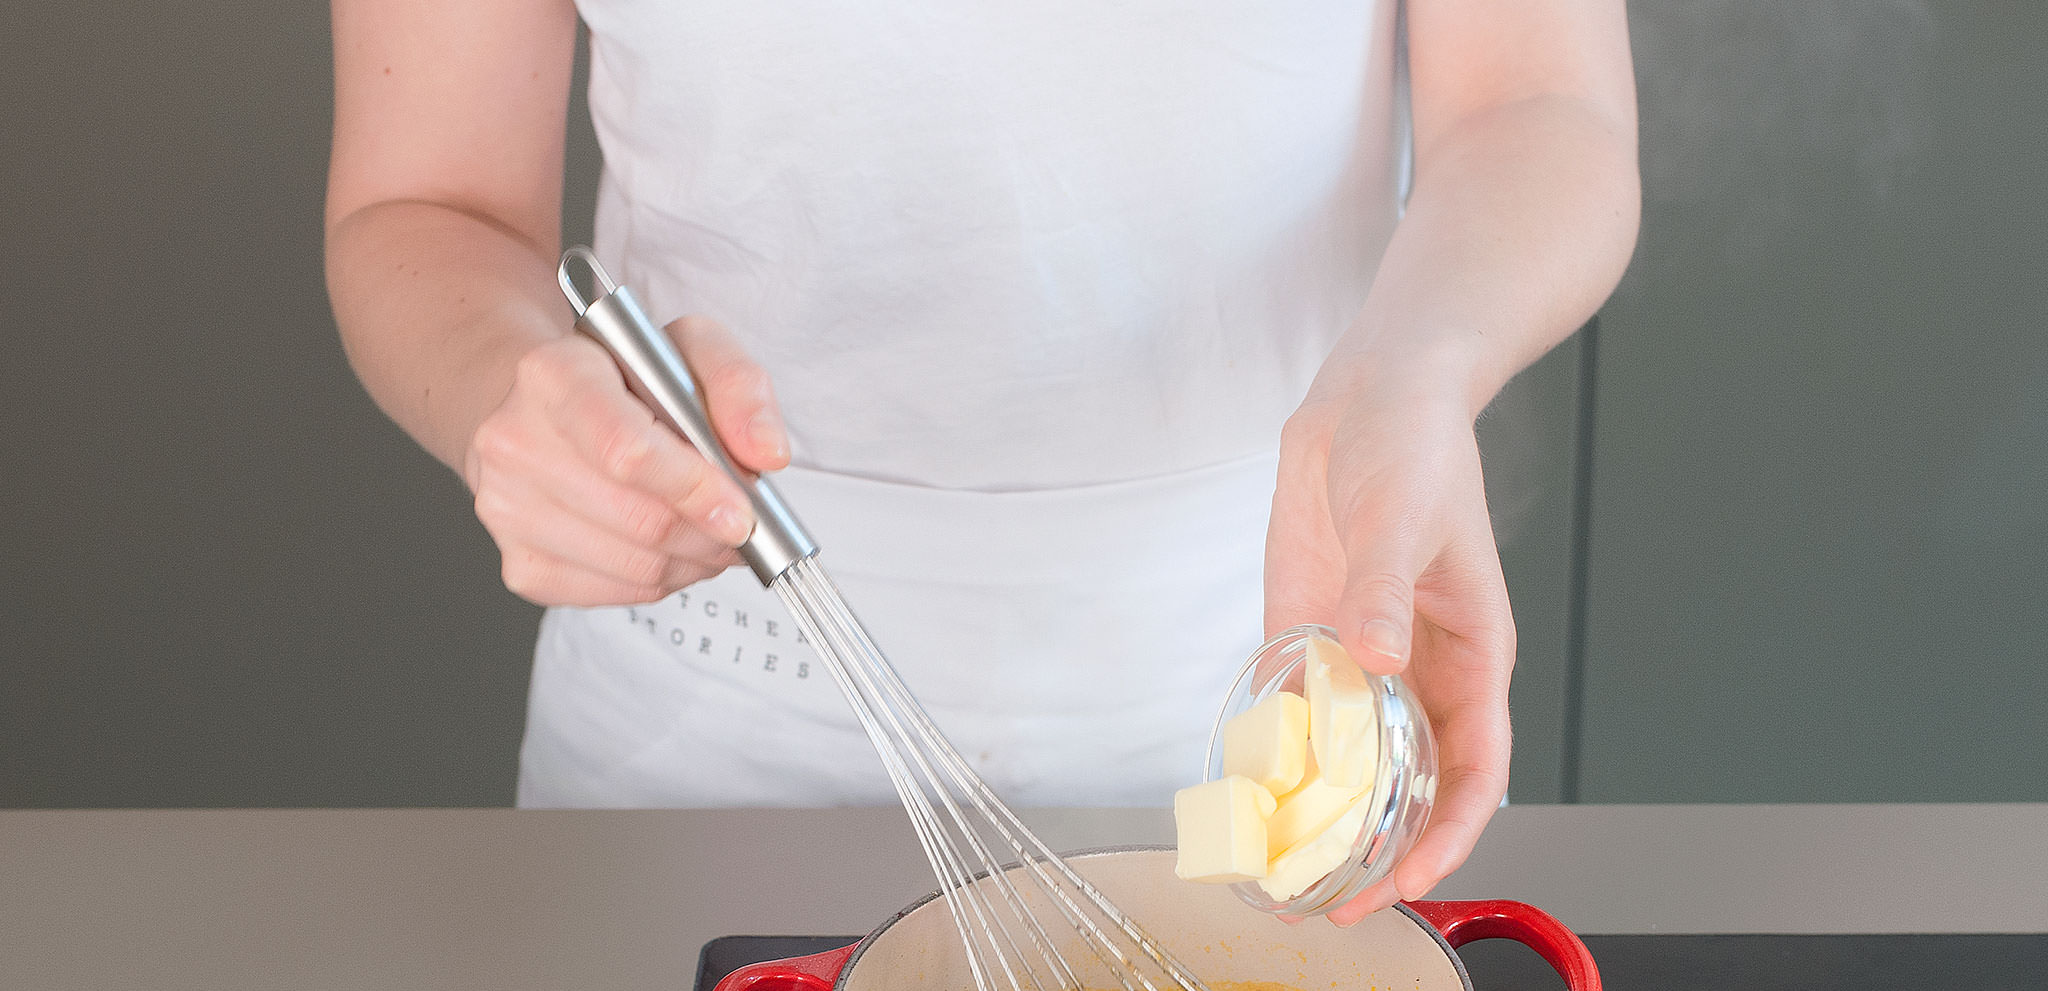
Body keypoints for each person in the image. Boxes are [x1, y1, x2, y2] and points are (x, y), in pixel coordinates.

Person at [325, 0, 1639, 922]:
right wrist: (522, 397)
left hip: (1260, 677)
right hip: (705, 728)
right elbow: (425, 202)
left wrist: (1419, 368)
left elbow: (1541, 103)